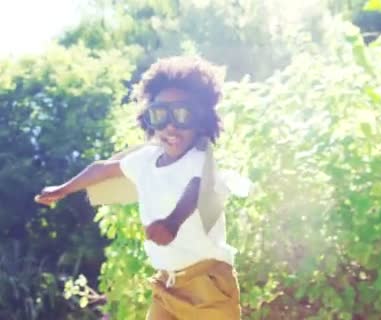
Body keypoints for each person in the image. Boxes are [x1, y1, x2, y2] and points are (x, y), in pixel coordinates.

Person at [35, 56, 241, 319]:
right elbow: (103, 168)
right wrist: (64, 188)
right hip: (167, 284)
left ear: (200, 119)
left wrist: (173, 222)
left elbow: (195, 189)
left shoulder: (200, 160)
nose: (170, 125)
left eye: (181, 113)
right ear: (148, 119)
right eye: (160, 115)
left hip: (207, 286)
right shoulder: (146, 160)